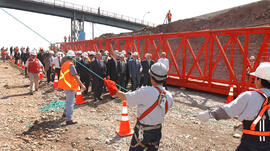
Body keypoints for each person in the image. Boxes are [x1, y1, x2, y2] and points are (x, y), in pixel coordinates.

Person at [198, 62, 270, 151]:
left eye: (255, 78)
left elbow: (228, 111)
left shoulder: (249, 96)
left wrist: (210, 114)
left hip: (251, 144)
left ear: (259, 80)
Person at [104, 62, 173, 151]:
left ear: (151, 77)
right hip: (157, 131)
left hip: (143, 131)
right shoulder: (169, 95)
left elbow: (124, 97)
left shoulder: (146, 91)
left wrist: (113, 89)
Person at [58, 50, 86, 125]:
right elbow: (75, 76)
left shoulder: (64, 64)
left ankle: (65, 113)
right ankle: (68, 119)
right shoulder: (71, 65)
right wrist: (82, 85)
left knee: (68, 101)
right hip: (70, 86)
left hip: (66, 85)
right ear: (73, 57)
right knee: (70, 103)